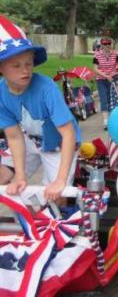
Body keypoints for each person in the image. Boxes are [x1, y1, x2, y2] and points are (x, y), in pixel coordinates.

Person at [0, 15, 81, 200]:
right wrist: (20, 175)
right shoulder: (1, 93)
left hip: (59, 143)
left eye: (29, 63)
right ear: (1, 69)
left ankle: (55, 221)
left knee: (55, 194)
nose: (25, 70)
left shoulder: (46, 88)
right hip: (31, 139)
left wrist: (60, 180)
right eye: (16, 65)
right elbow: (13, 136)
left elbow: (68, 134)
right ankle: (19, 220)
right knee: (5, 175)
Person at [93, 38, 118, 130]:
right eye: (105, 44)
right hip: (101, 80)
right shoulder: (97, 55)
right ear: (101, 45)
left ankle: (113, 120)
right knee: (103, 99)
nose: (107, 45)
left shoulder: (115, 54)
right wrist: (106, 76)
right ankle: (106, 122)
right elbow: (95, 69)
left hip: (112, 79)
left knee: (112, 99)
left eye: (109, 43)